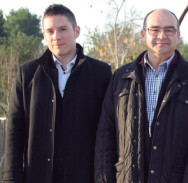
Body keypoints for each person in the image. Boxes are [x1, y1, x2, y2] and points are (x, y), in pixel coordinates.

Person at [94, 9, 188, 183]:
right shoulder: (122, 77)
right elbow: (105, 135)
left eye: (169, 30)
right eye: (155, 29)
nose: (162, 35)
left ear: (178, 36)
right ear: (143, 34)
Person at [3, 4, 111, 183]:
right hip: (37, 176)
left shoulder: (101, 73)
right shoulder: (27, 74)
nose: (56, 37)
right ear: (44, 35)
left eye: (62, 29)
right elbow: (14, 132)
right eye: (50, 31)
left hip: (86, 176)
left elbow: (108, 131)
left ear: (76, 31)